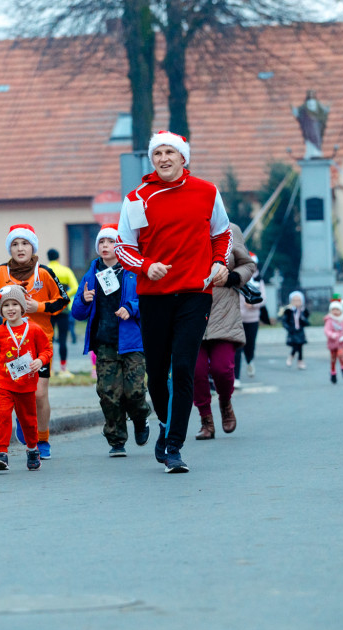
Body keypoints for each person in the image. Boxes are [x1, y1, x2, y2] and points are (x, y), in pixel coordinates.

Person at [114, 130, 232, 474]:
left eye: (170, 152)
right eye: (158, 154)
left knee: (183, 367)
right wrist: (147, 266)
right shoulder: (138, 197)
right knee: (156, 373)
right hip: (154, 296)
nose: (164, 158)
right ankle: (165, 424)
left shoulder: (207, 192)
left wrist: (219, 263)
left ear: (184, 158)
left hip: (196, 292)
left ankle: (175, 445)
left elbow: (221, 233)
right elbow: (124, 247)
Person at [0, 224, 71, 461]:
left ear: (32, 246)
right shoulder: (1, 272)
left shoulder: (43, 273)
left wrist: (39, 307)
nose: (20, 248)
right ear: (10, 249)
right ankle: (23, 419)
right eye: (15, 244)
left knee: (39, 394)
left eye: (24, 243)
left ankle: (42, 438)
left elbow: (63, 300)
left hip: (39, 341)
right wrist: (2, 301)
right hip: (11, 343)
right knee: (15, 392)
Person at [70, 226, 151, 456]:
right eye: (102, 242)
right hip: (105, 343)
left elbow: (146, 301)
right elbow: (77, 312)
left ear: (120, 246)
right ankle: (117, 440)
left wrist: (130, 308)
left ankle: (140, 418)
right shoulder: (91, 273)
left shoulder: (132, 270)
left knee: (134, 392)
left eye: (111, 241)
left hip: (132, 342)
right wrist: (84, 301)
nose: (105, 246)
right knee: (108, 393)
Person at [193, 224, 256, 440]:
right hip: (191, 309)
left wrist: (233, 278)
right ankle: (205, 420)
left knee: (222, 368)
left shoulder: (230, 229)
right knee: (196, 371)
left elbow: (248, 264)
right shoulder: (183, 227)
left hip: (224, 310)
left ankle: (225, 402)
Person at [0, 285, 52, 472]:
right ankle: (2, 453)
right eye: (6, 305)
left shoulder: (34, 329)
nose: (10, 309)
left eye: (14, 304)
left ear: (22, 307)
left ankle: (32, 449)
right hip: (4, 383)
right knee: (3, 416)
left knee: (28, 420)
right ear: (0, 309)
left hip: (27, 384)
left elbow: (47, 350)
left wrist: (40, 360)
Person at [47, 248, 80, 378]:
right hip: (63, 309)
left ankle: (49, 369)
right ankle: (63, 369)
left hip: (49, 309)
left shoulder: (44, 270)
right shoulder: (66, 271)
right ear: (58, 257)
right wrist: (64, 295)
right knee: (62, 340)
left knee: (47, 341)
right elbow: (76, 287)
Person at [235, 252, 265, 381]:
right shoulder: (237, 277)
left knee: (250, 344)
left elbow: (263, 299)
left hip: (253, 318)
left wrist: (252, 305)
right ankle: (236, 377)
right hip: (238, 318)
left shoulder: (259, 280)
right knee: (237, 347)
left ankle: (250, 361)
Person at [280, 291, 310, 369]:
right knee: (296, 345)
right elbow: (284, 321)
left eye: (298, 300)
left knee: (300, 345)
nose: (296, 302)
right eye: (294, 300)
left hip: (300, 331)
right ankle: (295, 358)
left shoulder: (303, 311)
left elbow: (307, 322)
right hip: (292, 331)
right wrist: (288, 328)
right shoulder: (289, 311)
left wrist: (302, 319)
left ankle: (298, 359)